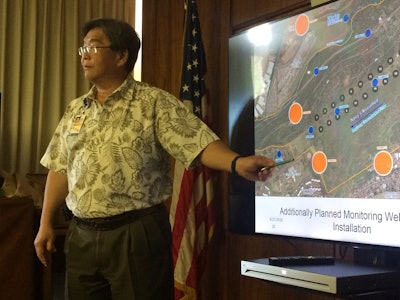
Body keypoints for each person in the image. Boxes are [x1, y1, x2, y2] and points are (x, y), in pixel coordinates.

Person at [34, 18, 274, 300]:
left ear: (122, 55)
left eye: (94, 47)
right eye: (83, 48)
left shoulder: (152, 102)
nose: (85, 55)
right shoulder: (76, 109)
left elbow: (196, 141)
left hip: (136, 235)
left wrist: (237, 163)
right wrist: (45, 223)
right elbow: (60, 167)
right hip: (82, 234)